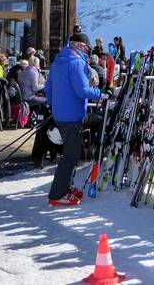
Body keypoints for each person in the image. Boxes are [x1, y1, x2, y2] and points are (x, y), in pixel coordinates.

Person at [45, 33, 105, 207]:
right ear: (79, 46)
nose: (88, 51)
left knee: (71, 153)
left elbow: (49, 88)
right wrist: (101, 94)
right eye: (86, 48)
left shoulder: (58, 61)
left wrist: (55, 106)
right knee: (71, 156)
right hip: (72, 116)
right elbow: (82, 91)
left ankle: (66, 187)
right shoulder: (76, 63)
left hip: (61, 114)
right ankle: (58, 194)